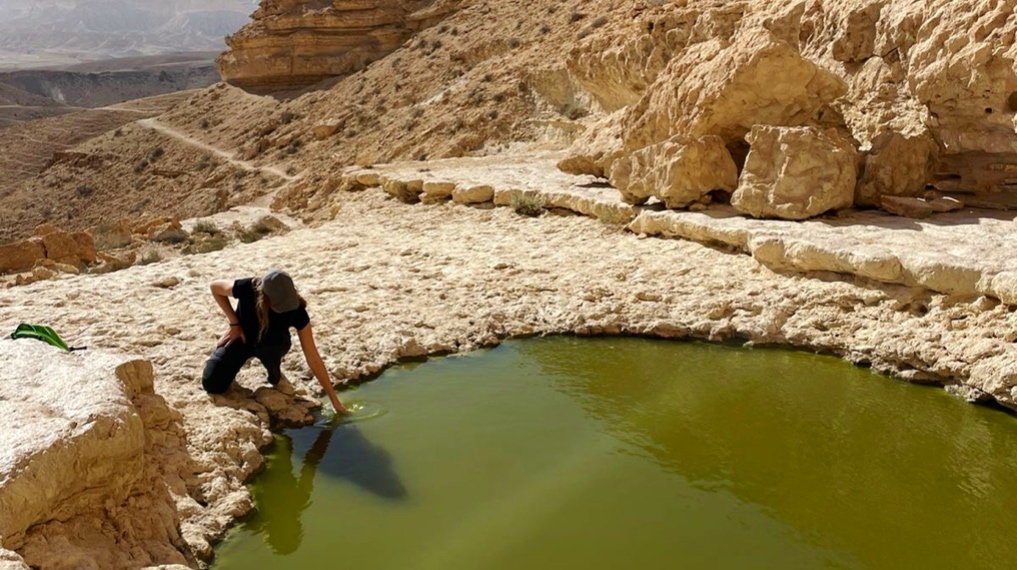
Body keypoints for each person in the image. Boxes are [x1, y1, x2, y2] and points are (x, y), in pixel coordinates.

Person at [201, 269, 347, 414]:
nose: (285, 309)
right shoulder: (248, 288)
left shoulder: (297, 310)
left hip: (273, 344)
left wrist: (334, 401)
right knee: (212, 384)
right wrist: (234, 324)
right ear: (265, 297)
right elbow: (215, 287)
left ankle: (276, 377)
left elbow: (312, 356)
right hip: (243, 338)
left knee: (268, 344)